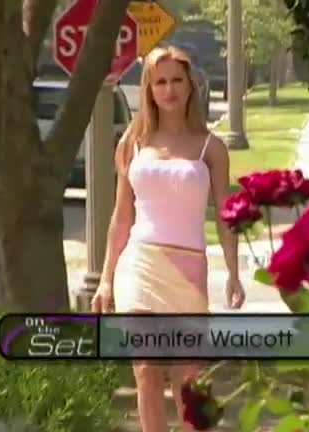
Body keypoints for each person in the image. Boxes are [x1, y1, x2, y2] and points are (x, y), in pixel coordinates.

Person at [91, 46, 246, 432]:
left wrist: (233, 272)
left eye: (177, 80)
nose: (169, 89)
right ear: (149, 89)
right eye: (160, 82)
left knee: (188, 380)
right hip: (139, 264)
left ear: (191, 85)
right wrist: (107, 278)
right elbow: (121, 216)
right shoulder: (132, 143)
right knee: (145, 368)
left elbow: (225, 216)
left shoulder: (212, 148)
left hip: (188, 270)